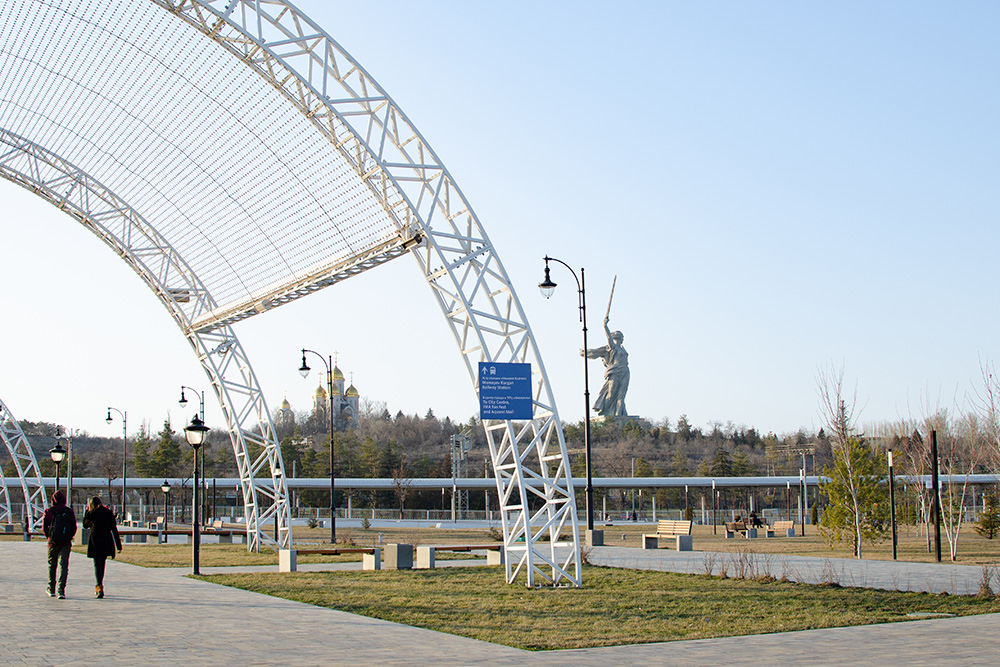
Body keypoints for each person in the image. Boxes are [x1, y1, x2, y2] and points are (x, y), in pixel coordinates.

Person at [581, 316, 630, 419]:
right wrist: (605, 326)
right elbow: (608, 337)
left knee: (621, 395)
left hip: (625, 371)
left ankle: (618, 416)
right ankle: (603, 410)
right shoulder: (613, 347)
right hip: (615, 371)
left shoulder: (623, 349)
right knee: (611, 394)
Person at [82, 496, 122, 599]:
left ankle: (98, 585)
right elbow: (114, 529)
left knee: (97, 564)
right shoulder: (107, 512)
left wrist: (87, 511)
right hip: (106, 541)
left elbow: (85, 524)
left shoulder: (92, 513)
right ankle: (99, 584)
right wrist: (118, 545)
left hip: (95, 541)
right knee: (102, 563)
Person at [42, 489, 76, 599]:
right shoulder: (69, 511)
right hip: (65, 543)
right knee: (64, 565)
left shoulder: (49, 511)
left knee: (52, 565)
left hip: (53, 543)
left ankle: (51, 588)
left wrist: (49, 537)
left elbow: (44, 527)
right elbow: (73, 527)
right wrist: (69, 537)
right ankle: (61, 590)